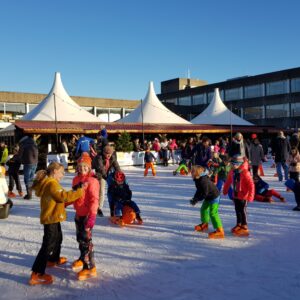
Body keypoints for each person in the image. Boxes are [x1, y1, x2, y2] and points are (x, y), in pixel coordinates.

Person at [29, 162, 84, 285]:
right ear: (54, 171)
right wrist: (79, 191)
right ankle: (36, 274)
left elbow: (60, 196)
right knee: (48, 244)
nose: (63, 175)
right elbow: (63, 196)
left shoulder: (50, 183)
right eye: (61, 172)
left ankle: (53, 259)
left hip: (53, 216)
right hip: (51, 218)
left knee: (58, 238)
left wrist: (74, 190)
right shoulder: (52, 183)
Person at [71, 152, 99, 281]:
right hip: (78, 214)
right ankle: (83, 259)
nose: (82, 169)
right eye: (80, 166)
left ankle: (90, 267)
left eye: (85, 167)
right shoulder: (75, 180)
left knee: (87, 241)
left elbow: (94, 199)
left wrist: (93, 216)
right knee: (80, 239)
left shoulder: (92, 181)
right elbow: (73, 195)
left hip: (88, 215)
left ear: (89, 168)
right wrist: (63, 203)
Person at [223, 155, 254, 237]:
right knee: (237, 210)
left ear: (239, 164)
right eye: (232, 164)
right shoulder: (232, 172)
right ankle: (239, 224)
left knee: (242, 210)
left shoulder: (245, 172)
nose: (232, 166)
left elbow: (251, 185)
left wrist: (251, 196)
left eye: (234, 164)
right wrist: (225, 189)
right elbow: (228, 181)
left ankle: (244, 226)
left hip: (244, 195)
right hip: (236, 194)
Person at [190, 165, 224, 239]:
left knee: (213, 213)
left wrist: (197, 199)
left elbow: (204, 193)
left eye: (192, 172)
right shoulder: (197, 179)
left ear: (197, 173)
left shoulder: (203, 181)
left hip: (214, 197)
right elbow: (199, 190)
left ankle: (220, 230)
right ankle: (205, 224)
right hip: (208, 196)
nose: (191, 173)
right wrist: (195, 198)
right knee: (203, 209)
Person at [92, 145, 120, 217]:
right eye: (107, 154)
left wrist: (120, 174)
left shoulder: (112, 157)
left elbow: (116, 166)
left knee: (104, 190)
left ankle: (100, 208)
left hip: (104, 174)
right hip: (95, 174)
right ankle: (95, 207)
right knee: (98, 191)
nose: (109, 155)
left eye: (110, 154)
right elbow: (101, 168)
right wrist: (106, 177)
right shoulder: (99, 157)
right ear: (103, 153)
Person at [19, 135, 39, 200]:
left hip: (28, 163)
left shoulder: (23, 145)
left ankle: (29, 194)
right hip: (35, 163)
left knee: (26, 179)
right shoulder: (34, 144)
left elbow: (20, 154)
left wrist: (20, 160)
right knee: (31, 178)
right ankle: (30, 193)